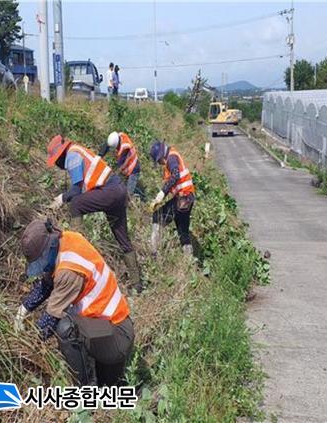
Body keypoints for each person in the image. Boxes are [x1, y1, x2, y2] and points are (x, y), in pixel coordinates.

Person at [14, 218, 135, 386]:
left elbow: (49, 321)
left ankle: (85, 392)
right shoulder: (68, 240)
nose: (40, 267)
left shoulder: (69, 270)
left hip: (116, 336)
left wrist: (24, 345)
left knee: (65, 327)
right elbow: (47, 284)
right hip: (105, 328)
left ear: (48, 248)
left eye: (40, 261)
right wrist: (23, 309)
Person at [46, 135, 143, 292]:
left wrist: (61, 199)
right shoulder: (79, 151)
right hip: (119, 190)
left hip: (110, 191)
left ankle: (77, 250)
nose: (57, 165)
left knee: (76, 203)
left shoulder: (72, 155)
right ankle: (137, 284)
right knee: (123, 238)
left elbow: (76, 191)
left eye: (56, 160)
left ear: (60, 155)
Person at [148, 141, 196, 256]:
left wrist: (162, 193)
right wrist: (159, 198)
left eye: (159, 161)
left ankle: (153, 251)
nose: (160, 163)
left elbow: (175, 175)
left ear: (161, 156)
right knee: (182, 230)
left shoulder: (171, 158)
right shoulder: (172, 156)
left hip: (183, 198)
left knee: (157, 217)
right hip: (188, 198)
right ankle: (188, 260)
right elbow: (174, 180)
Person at [99, 131, 140, 196]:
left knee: (128, 194)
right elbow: (107, 144)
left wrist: (117, 172)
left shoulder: (124, 148)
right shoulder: (119, 136)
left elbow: (122, 165)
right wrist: (100, 156)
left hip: (133, 168)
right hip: (127, 164)